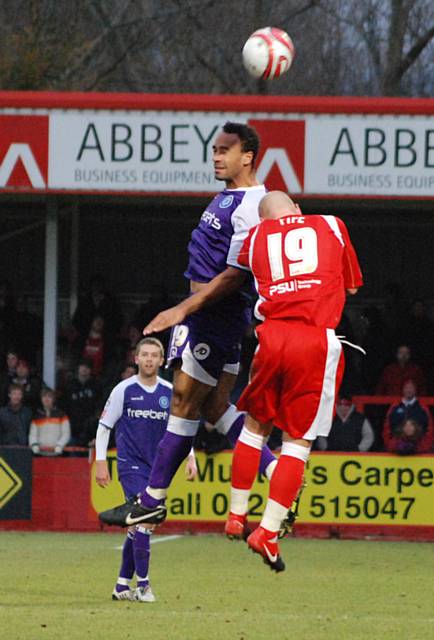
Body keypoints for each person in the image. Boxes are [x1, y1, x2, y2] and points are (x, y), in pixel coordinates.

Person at [99, 122, 280, 528]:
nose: (216, 157)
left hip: (211, 318)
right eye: (214, 150)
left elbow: (236, 274)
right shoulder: (229, 196)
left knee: (182, 403)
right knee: (215, 407)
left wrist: (183, 310)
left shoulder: (253, 203)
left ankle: (151, 498)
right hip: (212, 317)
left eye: (225, 151)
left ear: (247, 156)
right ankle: (275, 471)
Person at [222, 191, 363, 571]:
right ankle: (266, 532)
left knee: (254, 428)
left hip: (270, 337)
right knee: (296, 442)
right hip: (313, 339)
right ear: (297, 210)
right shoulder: (332, 224)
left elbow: (240, 270)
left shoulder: (254, 239)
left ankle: (236, 514)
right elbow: (350, 286)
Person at [95, 338, 196, 602]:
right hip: (131, 466)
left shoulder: (168, 391)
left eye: (154, 355)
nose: (149, 359)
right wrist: (101, 461)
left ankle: (120, 586)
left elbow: (181, 429)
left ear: (162, 360)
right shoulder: (124, 390)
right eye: (145, 355)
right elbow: (105, 426)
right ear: (136, 358)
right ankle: (143, 585)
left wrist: (191, 456)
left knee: (135, 526)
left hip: (158, 469)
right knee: (145, 519)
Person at [382, 379, 433, 454]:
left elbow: (430, 429)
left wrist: (421, 447)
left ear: (415, 390)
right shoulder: (394, 407)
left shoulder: (422, 408)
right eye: (406, 388)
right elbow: (387, 428)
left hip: (419, 452)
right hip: (396, 452)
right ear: (403, 390)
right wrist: (393, 445)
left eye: (411, 388)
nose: (408, 390)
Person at [61, 359, 102, 446]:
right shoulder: (69, 385)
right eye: (82, 367)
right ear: (78, 368)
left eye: (87, 367)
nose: (84, 369)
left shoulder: (96, 385)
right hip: (73, 427)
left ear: (90, 370)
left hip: (91, 428)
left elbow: (99, 404)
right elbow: (64, 405)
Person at [29, 388, 71, 455]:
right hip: (40, 454)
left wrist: (60, 445)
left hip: (58, 454)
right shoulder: (36, 416)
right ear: (41, 399)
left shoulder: (61, 415)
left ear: (53, 399)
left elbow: (66, 434)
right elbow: (32, 435)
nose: (46, 399)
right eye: (44, 396)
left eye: (49, 396)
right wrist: (34, 445)